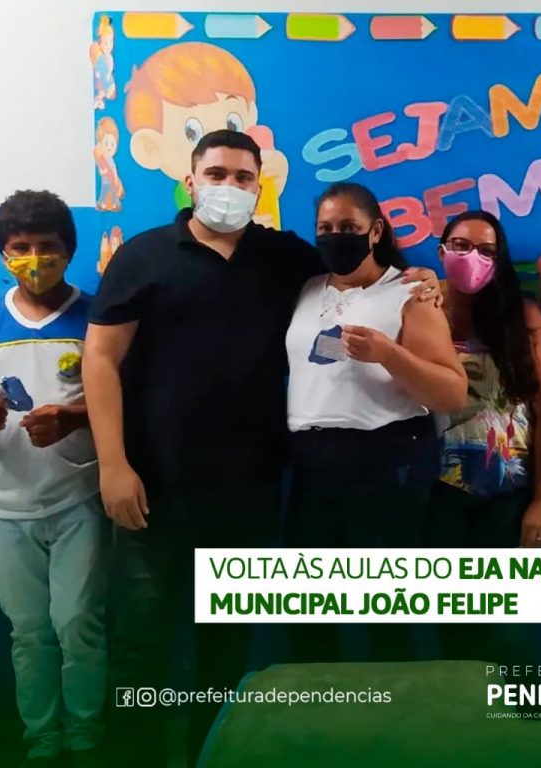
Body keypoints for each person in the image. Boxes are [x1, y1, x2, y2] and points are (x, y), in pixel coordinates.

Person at [84, 132, 439, 768]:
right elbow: (101, 359)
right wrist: (113, 464)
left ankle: (210, 754)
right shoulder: (142, 255)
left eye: (244, 177)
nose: (230, 186)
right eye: (216, 173)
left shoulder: (285, 258)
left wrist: (423, 279)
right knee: (141, 642)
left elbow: (360, 277)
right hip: (153, 487)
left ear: (259, 185)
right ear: (190, 182)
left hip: (250, 491)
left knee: (226, 646)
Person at [0, 191, 106, 768]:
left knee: (79, 623)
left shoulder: (97, 318)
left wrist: (74, 416)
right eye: (21, 248)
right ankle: (41, 737)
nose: (35, 259)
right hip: (5, 504)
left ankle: (86, 734)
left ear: (70, 250)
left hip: (81, 498)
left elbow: (123, 398)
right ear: (3, 253)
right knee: (28, 630)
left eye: (48, 247)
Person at [285, 182, 466, 663]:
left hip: (384, 461)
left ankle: (392, 706)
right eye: (326, 228)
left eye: (348, 226)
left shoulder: (409, 292)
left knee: (386, 614)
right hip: (311, 463)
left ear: (376, 231)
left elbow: (452, 392)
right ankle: (321, 703)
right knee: (307, 611)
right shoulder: (307, 288)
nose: (336, 236)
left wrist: (388, 354)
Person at [425, 210, 541, 663]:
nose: (472, 257)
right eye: (461, 246)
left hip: (509, 496)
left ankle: (505, 709)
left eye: (486, 250)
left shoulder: (523, 317)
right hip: (439, 493)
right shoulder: (424, 311)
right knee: (452, 631)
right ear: (442, 252)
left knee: (506, 635)